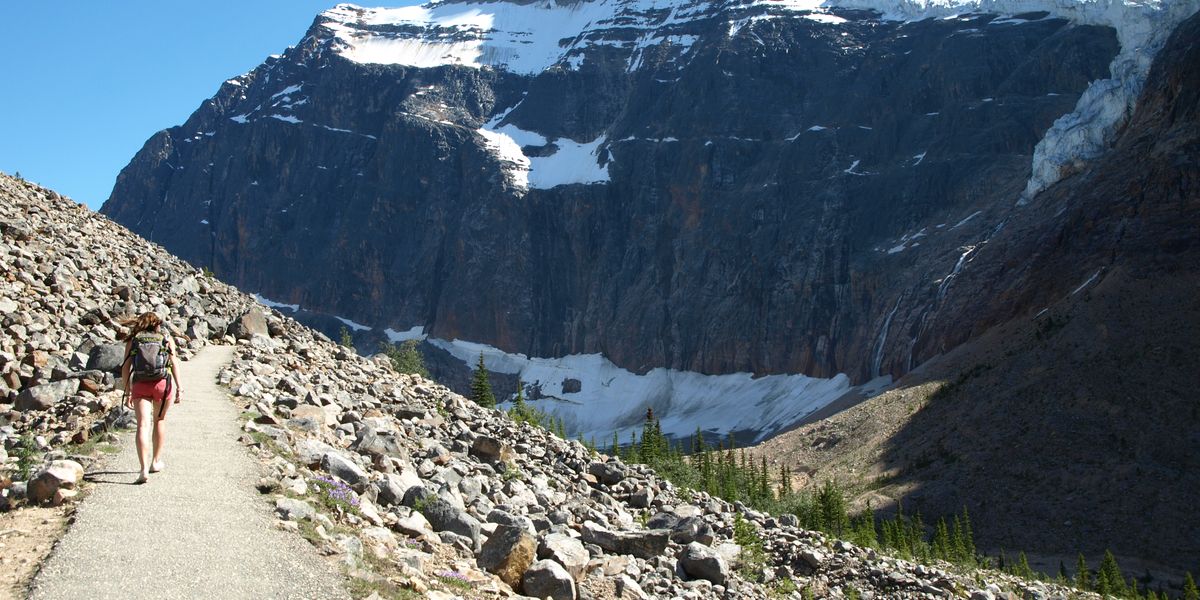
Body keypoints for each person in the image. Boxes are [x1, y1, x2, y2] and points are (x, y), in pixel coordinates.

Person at [119, 312, 183, 484]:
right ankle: (155, 462)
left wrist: (127, 391)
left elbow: (125, 368)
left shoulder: (134, 341)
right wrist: (180, 388)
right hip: (162, 384)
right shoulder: (165, 339)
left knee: (142, 425)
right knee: (159, 420)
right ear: (156, 324)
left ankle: (143, 469)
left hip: (140, 385)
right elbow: (174, 363)